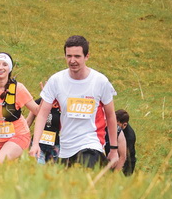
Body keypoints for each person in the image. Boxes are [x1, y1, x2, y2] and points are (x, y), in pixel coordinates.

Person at [29, 35, 119, 169]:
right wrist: (36, 143)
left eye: (77, 56)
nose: (72, 61)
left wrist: (114, 149)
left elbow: (111, 116)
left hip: (91, 144)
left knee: (83, 176)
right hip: (66, 147)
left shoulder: (100, 81)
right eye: (69, 56)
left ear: (87, 56)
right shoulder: (56, 80)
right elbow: (42, 114)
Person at [26, 91, 61, 164]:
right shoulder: (40, 102)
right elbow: (28, 122)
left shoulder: (63, 104)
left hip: (55, 145)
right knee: (39, 167)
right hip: (38, 144)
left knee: (52, 170)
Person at [115, 109, 136, 175]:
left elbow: (123, 156)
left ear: (124, 125)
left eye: (117, 125)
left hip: (126, 164)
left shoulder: (129, 137)